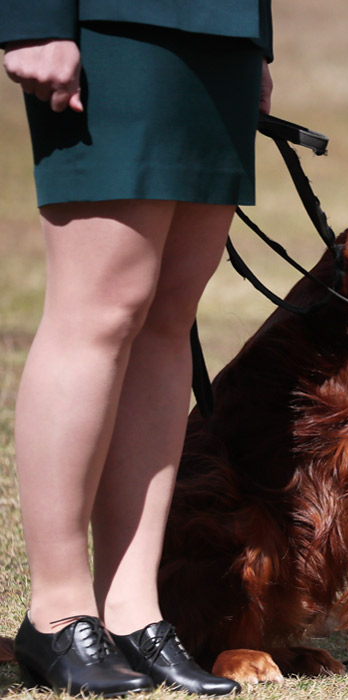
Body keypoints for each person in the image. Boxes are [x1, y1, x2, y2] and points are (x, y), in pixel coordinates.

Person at [2, 1, 274, 694]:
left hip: (223, 25)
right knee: (101, 307)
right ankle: (59, 614)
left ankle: (131, 610)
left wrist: (255, 42)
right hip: (113, 20)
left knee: (169, 313)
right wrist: (32, 15)